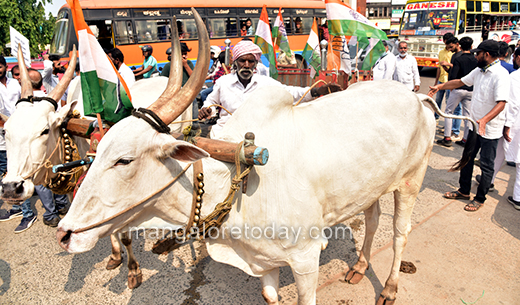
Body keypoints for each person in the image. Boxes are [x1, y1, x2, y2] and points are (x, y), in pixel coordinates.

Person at [428, 40, 510, 212]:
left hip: (490, 129)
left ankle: (480, 198)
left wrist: (485, 120)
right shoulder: (479, 71)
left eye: (478, 53)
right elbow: (459, 82)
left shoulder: (500, 74)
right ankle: (464, 191)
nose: (475, 56)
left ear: (486, 54)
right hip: (474, 125)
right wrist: (440, 86)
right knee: (467, 160)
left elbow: (501, 103)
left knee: (487, 165)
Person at [198, 40, 341, 138]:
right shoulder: (223, 82)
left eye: (251, 61)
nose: (246, 65)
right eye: (242, 61)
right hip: (224, 134)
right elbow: (211, 102)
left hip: (255, 136)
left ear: (255, 64)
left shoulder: (265, 83)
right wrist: (208, 110)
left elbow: (290, 92)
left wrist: (317, 91)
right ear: (235, 63)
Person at [436, 37, 478, 147]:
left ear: (459, 45)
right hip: (470, 90)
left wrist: (447, 73)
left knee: (449, 112)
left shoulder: (458, 59)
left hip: (458, 89)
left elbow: (453, 76)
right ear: (471, 46)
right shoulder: (475, 60)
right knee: (467, 115)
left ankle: (447, 138)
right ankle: (465, 139)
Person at [434, 33, 454, 120]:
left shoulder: (453, 53)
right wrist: (436, 82)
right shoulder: (441, 52)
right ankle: (436, 117)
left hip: (449, 81)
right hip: (441, 80)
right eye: (446, 41)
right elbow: (439, 68)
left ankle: (448, 121)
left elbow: (456, 66)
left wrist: (448, 64)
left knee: (448, 102)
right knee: (438, 100)